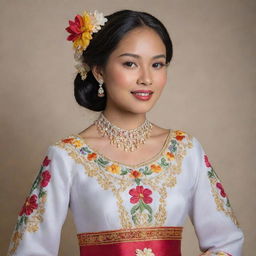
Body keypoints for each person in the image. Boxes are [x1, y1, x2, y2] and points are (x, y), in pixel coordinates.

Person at [7, 9, 244, 256]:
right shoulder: (68, 156)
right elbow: (29, 250)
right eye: (130, 63)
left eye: (157, 64)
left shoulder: (185, 150)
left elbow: (227, 241)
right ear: (99, 70)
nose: (146, 78)